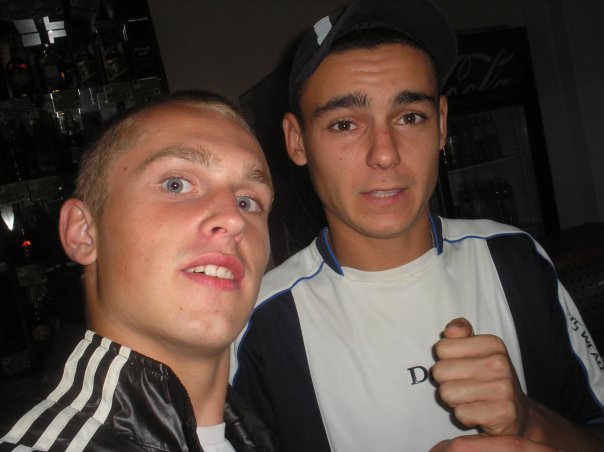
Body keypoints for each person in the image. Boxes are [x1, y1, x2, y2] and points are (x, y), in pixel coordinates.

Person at [230, 0, 604, 451]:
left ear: (442, 124)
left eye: (410, 117)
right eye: (345, 124)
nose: (385, 154)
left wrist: (531, 422)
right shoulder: (259, 325)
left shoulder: (515, 257)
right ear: (297, 141)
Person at [0, 90, 277, 451]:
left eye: (247, 201)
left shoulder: (261, 432)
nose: (233, 218)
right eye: (176, 184)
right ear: (83, 233)